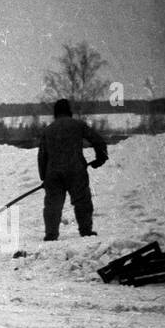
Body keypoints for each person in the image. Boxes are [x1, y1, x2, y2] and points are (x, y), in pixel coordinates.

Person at [38, 98, 108, 240]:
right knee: (82, 201)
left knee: (53, 205)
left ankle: (51, 235)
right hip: (76, 170)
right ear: (69, 111)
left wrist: (44, 178)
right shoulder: (78, 125)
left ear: (55, 113)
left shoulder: (48, 130)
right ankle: (86, 231)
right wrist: (100, 159)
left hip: (53, 173)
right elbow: (98, 141)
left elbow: (42, 156)